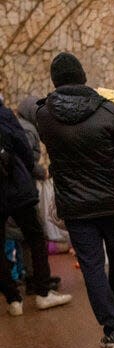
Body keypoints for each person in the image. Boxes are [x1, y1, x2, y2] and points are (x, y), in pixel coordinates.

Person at [35, 51, 114, 348]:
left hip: (76, 207)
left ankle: (112, 331)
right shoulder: (109, 111)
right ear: (83, 77)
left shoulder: (45, 116)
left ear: (55, 81)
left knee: (92, 266)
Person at [0, 98, 72, 315]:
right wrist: (24, 170)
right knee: (35, 236)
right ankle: (42, 292)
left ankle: (13, 299)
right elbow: (22, 146)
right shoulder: (4, 114)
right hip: (15, 187)